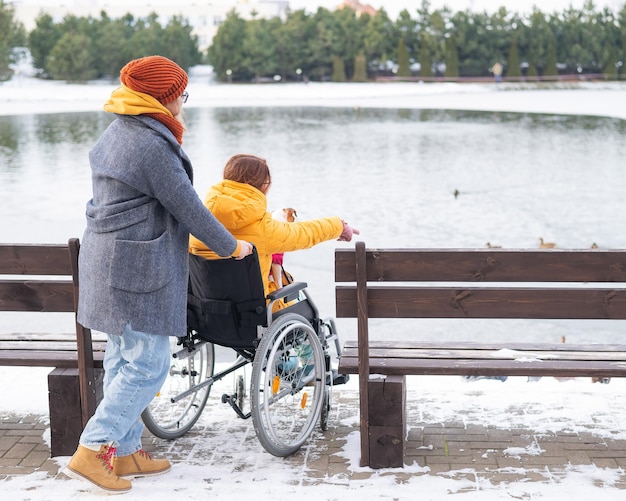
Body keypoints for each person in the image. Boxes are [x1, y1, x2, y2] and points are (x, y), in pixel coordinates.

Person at [64, 56, 253, 494]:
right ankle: (92, 449)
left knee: (121, 361)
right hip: (132, 270)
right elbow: (187, 206)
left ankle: (125, 451)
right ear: (164, 97)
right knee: (149, 366)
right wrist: (233, 246)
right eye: (181, 95)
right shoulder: (149, 144)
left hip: (109, 263)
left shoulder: (120, 130)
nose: (184, 103)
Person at [189, 154, 359, 300]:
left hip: (207, 314)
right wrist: (338, 225)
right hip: (253, 315)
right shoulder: (263, 229)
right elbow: (304, 234)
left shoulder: (196, 221)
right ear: (262, 186)